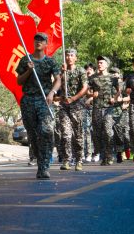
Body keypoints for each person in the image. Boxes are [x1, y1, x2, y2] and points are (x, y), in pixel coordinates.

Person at [16, 32, 61, 179]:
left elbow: (58, 79)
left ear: (46, 44)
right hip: (28, 101)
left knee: (46, 131)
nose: (38, 42)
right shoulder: (25, 60)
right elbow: (19, 81)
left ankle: (43, 167)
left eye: (41, 40)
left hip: (44, 100)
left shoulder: (50, 61)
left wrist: (52, 92)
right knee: (33, 135)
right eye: (36, 40)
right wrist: (29, 70)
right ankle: (38, 156)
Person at [56, 48, 88, 171]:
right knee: (65, 134)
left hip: (77, 106)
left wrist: (74, 98)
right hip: (64, 106)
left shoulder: (80, 71)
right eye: (67, 55)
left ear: (76, 58)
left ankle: (79, 159)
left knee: (78, 135)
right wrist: (61, 73)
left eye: (71, 55)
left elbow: (85, 88)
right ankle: (66, 160)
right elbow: (56, 83)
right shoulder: (62, 71)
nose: (69, 57)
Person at [88, 56, 119, 165]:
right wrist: (92, 94)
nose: (99, 64)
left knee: (107, 131)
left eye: (101, 62)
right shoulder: (92, 78)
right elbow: (85, 90)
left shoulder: (112, 78)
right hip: (96, 108)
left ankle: (109, 155)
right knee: (97, 133)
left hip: (108, 108)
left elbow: (120, 90)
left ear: (107, 64)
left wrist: (114, 98)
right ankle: (103, 155)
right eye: (98, 62)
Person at [83, 63, 95, 162]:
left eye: (90, 69)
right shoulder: (83, 80)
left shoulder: (97, 80)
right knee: (86, 130)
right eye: (87, 69)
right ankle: (87, 153)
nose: (88, 70)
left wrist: (90, 97)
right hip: (84, 108)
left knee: (95, 131)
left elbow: (99, 93)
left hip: (96, 108)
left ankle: (97, 152)